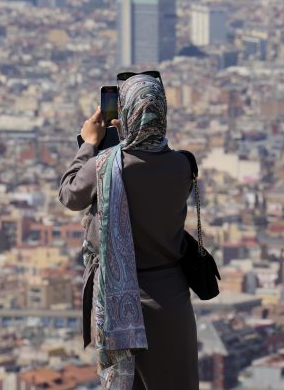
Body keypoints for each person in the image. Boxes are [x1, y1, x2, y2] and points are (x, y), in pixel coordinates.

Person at [58, 74, 199, 390]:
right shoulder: (182, 165)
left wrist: (89, 145)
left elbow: (69, 194)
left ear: (124, 116)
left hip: (118, 299)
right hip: (171, 298)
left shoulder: (105, 166)